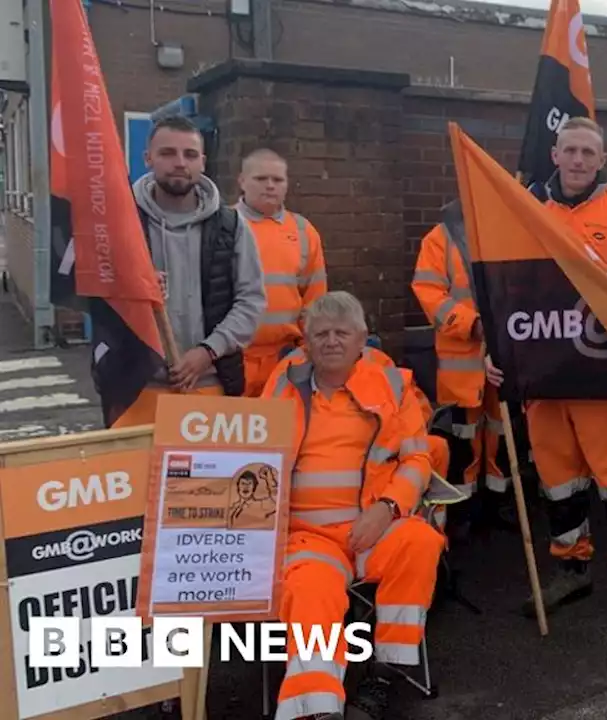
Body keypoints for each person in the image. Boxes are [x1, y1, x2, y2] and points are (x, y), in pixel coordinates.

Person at [490, 116, 607, 644]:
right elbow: (501, 290)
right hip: (542, 373)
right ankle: (572, 570)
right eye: (569, 150)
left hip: (600, 369)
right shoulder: (523, 209)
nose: (577, 160)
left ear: (601, 161)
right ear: (555, 154)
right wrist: (494, 349)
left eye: (587, 153)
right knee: (558, 478)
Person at [266, 291, 448, 720]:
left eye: (341, 333)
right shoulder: (281, 384)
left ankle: (384, 675)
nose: (331, 342)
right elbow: (255, 454)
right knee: (311, 591)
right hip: (306, 535)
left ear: (361, 339)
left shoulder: (391, 384)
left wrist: (388, 507)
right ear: (305, 343)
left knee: (421, 541)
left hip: (374, 525)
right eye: (321, 334)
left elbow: (418, 458)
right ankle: (318, 708)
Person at [114, 114, 266, 426]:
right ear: (148, 159)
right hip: (136, 389)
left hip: (209, 385)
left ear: (203, 162)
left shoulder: (231, 226)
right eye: (167, 153)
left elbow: (251, 301)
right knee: (140, 475)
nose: (180, 163)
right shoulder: (122, 222)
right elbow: (97, 294)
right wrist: (130, 289)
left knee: (203, 477)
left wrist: (208, 351)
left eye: (190, 154)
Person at [411, 199, 515, 534]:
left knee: (503, 429)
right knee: (462, 435)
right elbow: (429, 294)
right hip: (461, 360)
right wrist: (473, 325)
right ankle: (463, 508)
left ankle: (500, 500)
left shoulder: (507, 235)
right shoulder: (439, 238)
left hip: (504, 354)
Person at [235, 148, 329, 396]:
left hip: (286, 358)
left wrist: (309, 349)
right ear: (242, 181)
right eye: (260, 179)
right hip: (231, 358)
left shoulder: (303, 231)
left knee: (284, 431)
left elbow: (315, 300)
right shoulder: (224, 225)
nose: (270, 186)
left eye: (277, 180)